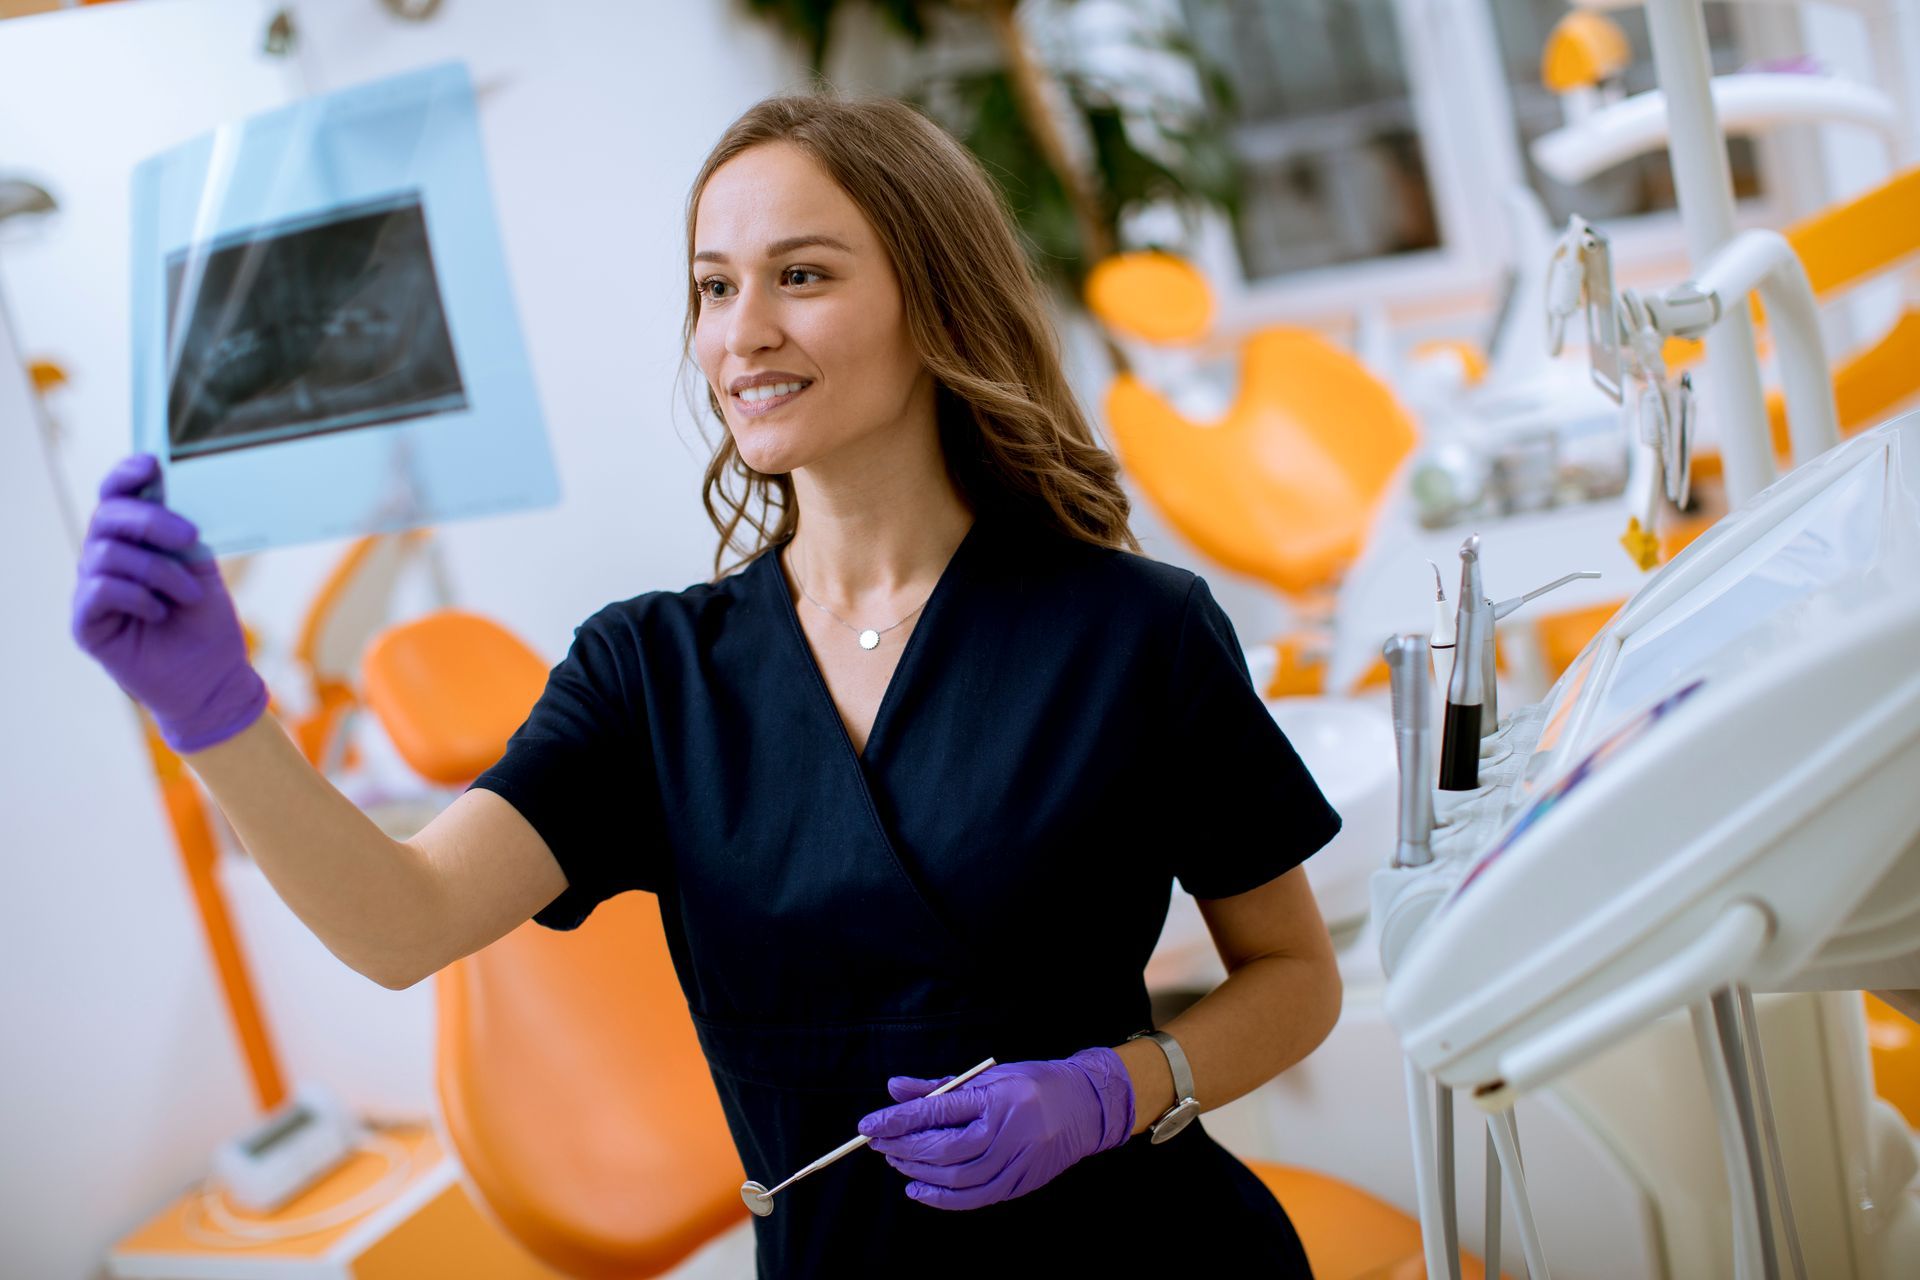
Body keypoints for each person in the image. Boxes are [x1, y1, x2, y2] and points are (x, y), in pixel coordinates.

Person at [72, 94, 1344, 1275]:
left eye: (803, 275)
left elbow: (1294, 973)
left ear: (934, 300)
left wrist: (1117, 1087)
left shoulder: (1134, 630)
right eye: (714, 286)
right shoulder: (651, 674)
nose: (742, 332)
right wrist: (213, 715)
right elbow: (403, 925)